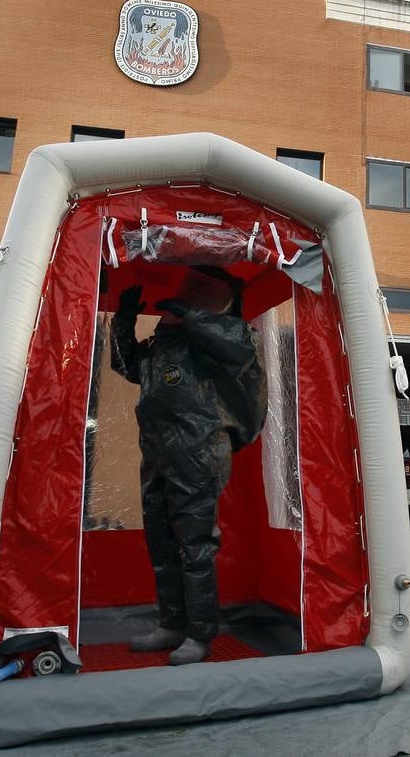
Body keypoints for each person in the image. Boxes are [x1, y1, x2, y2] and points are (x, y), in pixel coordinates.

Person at [109, 266, 266, 665]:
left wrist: (195, 315)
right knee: (162, 544)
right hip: (158, 453)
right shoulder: (166, 344)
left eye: (197, 290)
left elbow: (237, 351)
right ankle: (172, 623)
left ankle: (199, 634)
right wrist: (124, 320)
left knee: (195, 547)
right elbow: (128, 365)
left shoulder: (224, 337)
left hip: (198, 453)